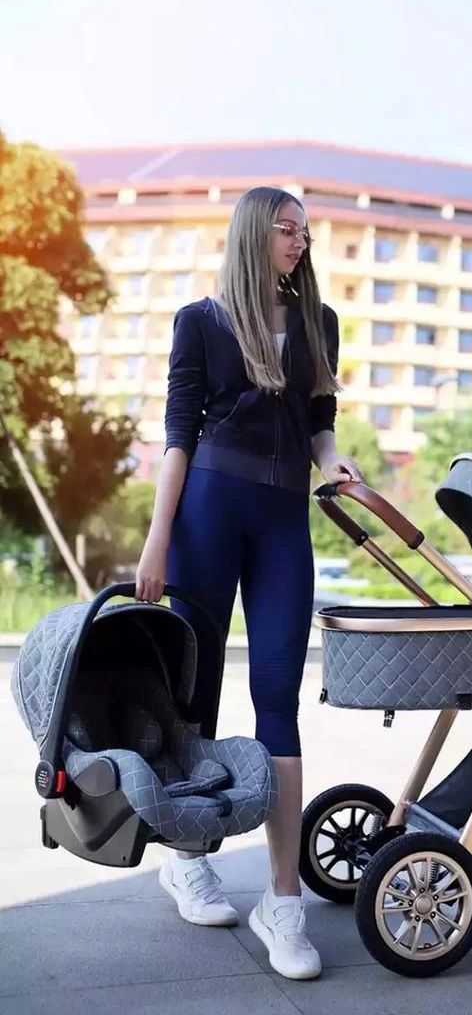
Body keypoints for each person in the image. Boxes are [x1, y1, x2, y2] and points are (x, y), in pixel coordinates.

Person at [135, 186, 361, 980]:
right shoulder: (200, 321)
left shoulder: (317, 322)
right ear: (253, 233)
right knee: (194, 693)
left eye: (305, 231)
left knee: (277, 696)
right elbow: (178, 436)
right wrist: (156, 542)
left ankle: (283, 899)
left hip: (283, 521)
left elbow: (320, 421)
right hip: (207, 513)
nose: (299, 241)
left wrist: (333, 464)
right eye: (286, 229)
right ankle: (187, 858)